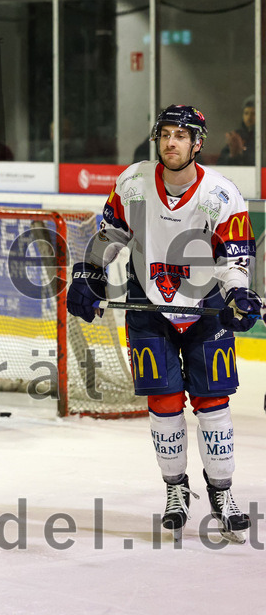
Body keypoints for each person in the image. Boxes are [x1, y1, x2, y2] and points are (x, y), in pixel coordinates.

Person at [67, 104, 258, 544]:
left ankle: (222, 494)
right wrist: (90, 273)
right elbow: (111, 234)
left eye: (181, 135)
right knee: (164, 407)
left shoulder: (222, 194)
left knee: (213, 408)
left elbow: (234, 259)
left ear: (197, 144)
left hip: (204, 306)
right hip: (147, 306)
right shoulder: (133, 181)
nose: (171, 142)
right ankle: (175, 491)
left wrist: (238, 294)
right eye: (165, 134)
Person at [216, 96, 255, 166]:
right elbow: (221, 163)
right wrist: (233, 155)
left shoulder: (262, 137)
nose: (249, 117)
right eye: (246, 113)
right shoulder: (236, 136)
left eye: (253, 113)